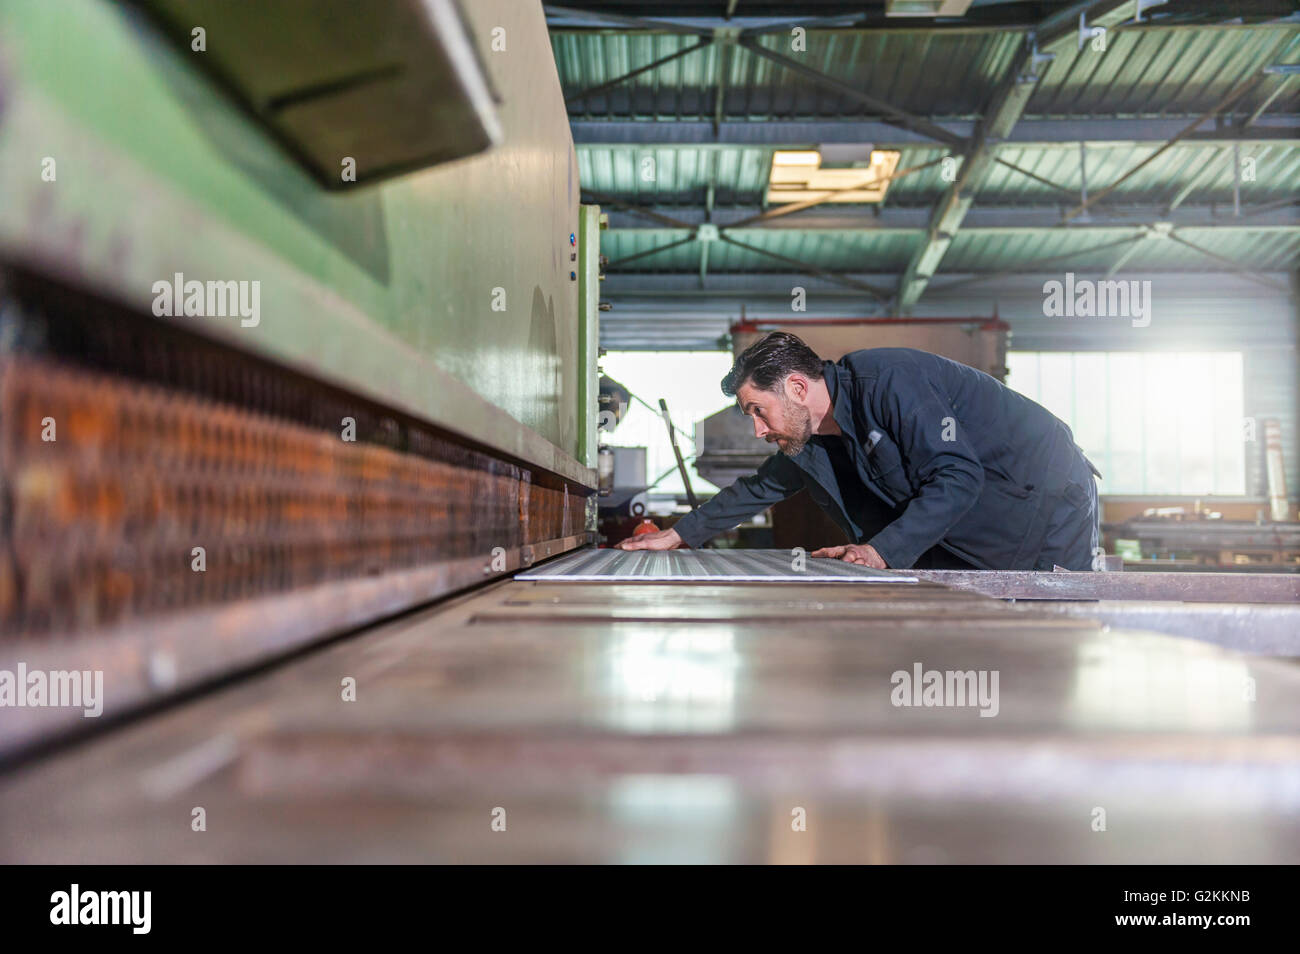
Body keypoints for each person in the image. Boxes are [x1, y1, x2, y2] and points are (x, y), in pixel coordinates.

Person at [615, 332, 1101, 571]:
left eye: (758, 411)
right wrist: (677, 537)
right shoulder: (814, 439)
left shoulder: (890, 382)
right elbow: (758, 489)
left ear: (798, 387)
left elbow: (958, 478)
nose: (760, 430)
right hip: (991, 520)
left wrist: (878, 550)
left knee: (1050, 638)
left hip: (1052, 497)